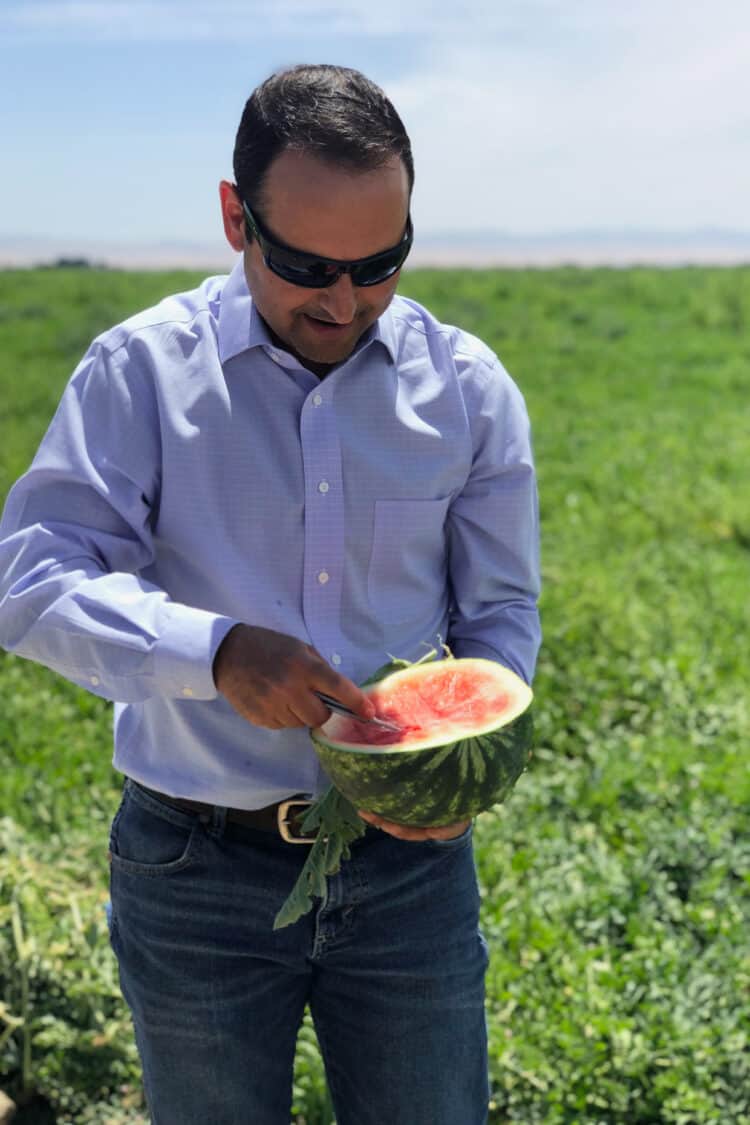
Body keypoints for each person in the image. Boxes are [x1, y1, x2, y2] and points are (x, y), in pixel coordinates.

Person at [0, 64, 540, 1125]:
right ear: (233, 217)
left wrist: (461, 764)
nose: (344, 302)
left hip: (409, 879)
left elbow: (500, 615)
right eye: (304, 265)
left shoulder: (469, 389)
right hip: (192, 867)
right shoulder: (140, 374)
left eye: (380, 264)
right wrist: (211, 652)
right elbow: (33, 580)